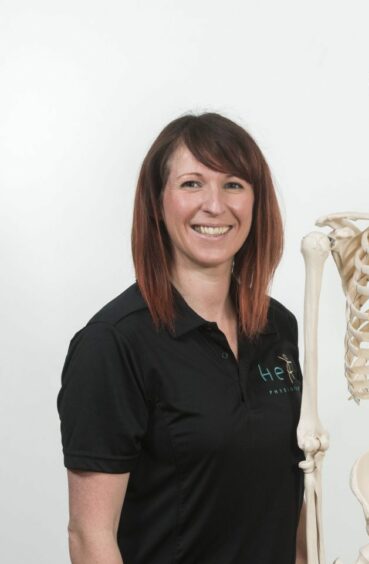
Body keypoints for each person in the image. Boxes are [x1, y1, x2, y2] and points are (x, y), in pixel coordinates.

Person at [58, 113, 305, 564]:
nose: (214, 205)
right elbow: (90, 536)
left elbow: (292, 497)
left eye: (234, 184)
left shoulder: (279, 329)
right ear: (157, 202)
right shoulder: (113, 344)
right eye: (192, 184)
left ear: (256, 202)